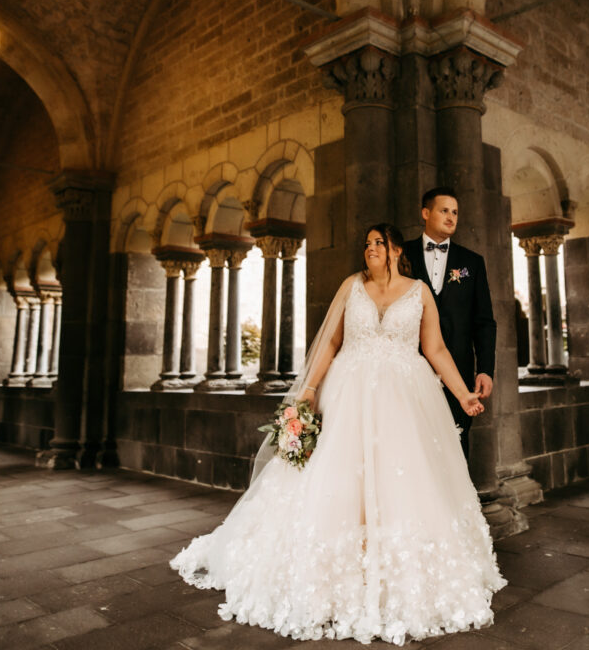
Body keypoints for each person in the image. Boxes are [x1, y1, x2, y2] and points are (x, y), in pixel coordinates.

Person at [170, 223, 506, 645]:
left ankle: (391, 571)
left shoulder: (419, 292)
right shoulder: (352, 286)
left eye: (378, 243)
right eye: (366, 243)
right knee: (339, 479)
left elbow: (435, 349)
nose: (370, 250)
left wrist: (462, 395)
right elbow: (330, 342)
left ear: (396, 250)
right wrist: (307, 390)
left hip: (405, 400)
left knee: (403, 479)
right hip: (347, 394)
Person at [403, 187, 496, 458]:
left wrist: (485, 369)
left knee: (455, 445)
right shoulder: (401, 255)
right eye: (444, 210)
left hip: (458, 369)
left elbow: (484, 321)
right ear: (425, 213)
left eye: (455, 212)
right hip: (409, 367)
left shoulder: (472, 262)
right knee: (411, 445)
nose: (451, 217)